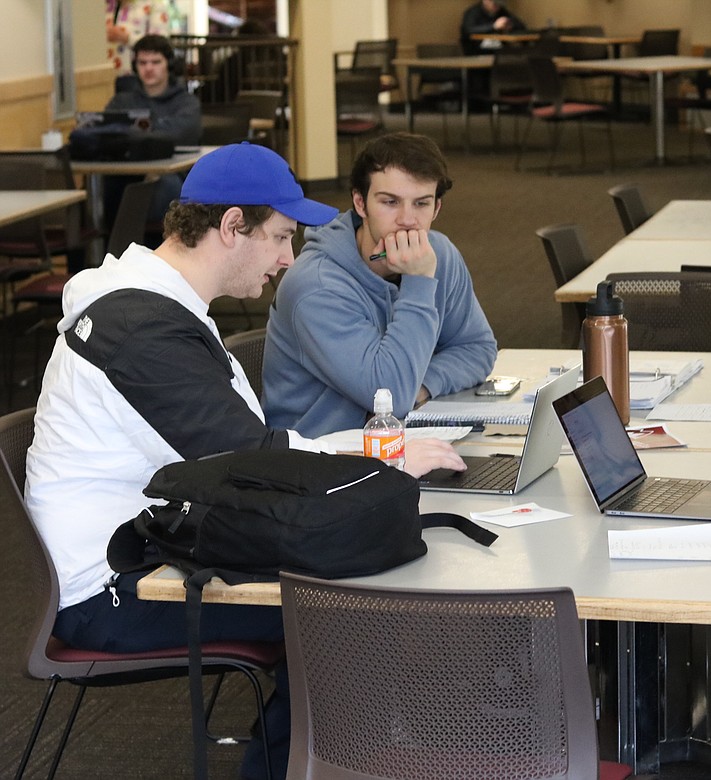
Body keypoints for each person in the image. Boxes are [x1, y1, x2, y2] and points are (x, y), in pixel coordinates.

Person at [24, 143, 467, 780]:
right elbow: (248, 463)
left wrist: (370, 458)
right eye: (282, 237)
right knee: (345, 608)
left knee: (351, 578)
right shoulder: (140, 329)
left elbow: (248, 454)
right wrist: (382, 465)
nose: (289, 259)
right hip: (110, 591)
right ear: (233, 227)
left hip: (155, 542)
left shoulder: (157, 307)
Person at [263, 132, 497, 438]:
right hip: (325, 461)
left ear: (436, 209)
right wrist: (418, 282)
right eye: (390, 202)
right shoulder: (316, 286)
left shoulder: (438, 255)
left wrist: (421, 386)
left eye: (421, 204)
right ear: (360, 203)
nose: (408, 220)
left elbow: (477, 348)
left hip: (401, 440)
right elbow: (390, 395)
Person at [103, 34, 202, 229]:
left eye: (155, 62)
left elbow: (179, 134)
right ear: (135, 66)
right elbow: (107, 133)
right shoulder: (122, 101)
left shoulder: (186, 103)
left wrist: (135, 132)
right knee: (99, 189)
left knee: (163, 187)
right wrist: (153, 130)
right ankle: (106, 252)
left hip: (173, 175)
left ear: (169, 65)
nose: (148, 68)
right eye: (142, 62)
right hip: (123, 175)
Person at [106, 0, 171, 76]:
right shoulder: (106, 4)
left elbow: (160, 45)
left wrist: (127, 38)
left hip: (139, 76)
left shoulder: (154, 4)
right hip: (106, 75)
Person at [460, 0, 527, 54]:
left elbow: (520, 25)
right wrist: (494, 26)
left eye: (499, 4)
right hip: (476, 50)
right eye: (494, 3)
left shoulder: (502, 12)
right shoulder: (473, 12)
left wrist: (510, 25)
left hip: (498, 49)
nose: (497, 6)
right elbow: (469, 30)